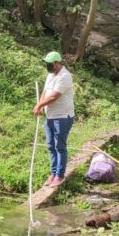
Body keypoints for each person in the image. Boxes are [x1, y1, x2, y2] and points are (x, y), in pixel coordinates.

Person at [33, 51, 75, 187]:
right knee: (51, 145)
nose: (48, 66)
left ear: (57, 63)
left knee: (59, 146)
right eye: (46, 64)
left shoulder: (65, 76)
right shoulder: (50, 75)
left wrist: (40, 104)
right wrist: (39, 106)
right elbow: (45, 92)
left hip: (62, 117)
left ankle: (59, 175)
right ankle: (53, 173)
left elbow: (54, 97)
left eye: (50, 64)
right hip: (50, 116)